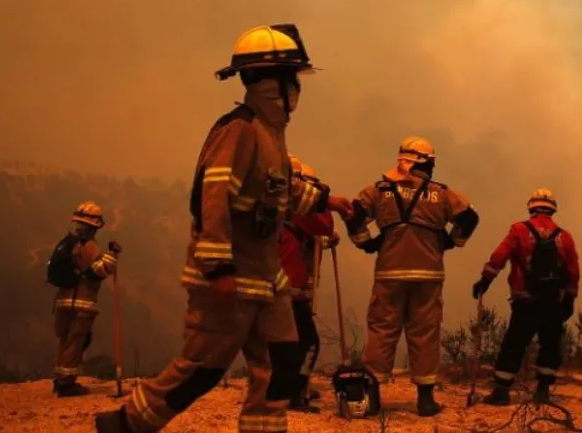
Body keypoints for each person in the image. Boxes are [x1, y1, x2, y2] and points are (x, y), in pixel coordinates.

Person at [95, 24, 351, 433]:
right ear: (273, 84)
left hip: (268, 279)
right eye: (292, 81)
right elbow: (211, 197)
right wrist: (217, 268)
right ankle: (127, 424)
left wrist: (329, 201)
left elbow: (279, 193)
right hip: (231, 279)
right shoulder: (238, 130)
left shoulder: (272, 137)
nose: (297, 92)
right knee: (202, 369)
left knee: (282, 364)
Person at [345, 136, 480, 417]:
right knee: (425, 332)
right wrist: (450, 242)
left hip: (389, 273)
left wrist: (366, 242)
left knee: (382, 331)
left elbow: (352, 214)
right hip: (428, 275)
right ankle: (426, 399)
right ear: (426, 163)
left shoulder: (379, 190)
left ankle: (371, 398)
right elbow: (469, 219)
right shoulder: (441, 193)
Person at [472, 188, 580, 405]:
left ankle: (501, 392)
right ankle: (542, 391)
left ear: (531, 206)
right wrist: (570, 299)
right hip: (553, 301)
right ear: (553, 209)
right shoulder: (564, 236)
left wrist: (485, 280)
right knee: (550, 345)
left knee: (514, 344)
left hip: (525, 300)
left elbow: (499, 257)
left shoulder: (519, 230)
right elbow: (573, 271)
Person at [279, 155, 342, 413]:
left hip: (267, 287)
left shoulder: (267, 205)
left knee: (274, 343)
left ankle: (277, 388)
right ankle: (295, 393)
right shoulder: (299, 207)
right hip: (290, 289)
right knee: (308, 342)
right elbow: (324, 225)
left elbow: (307, 239)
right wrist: (320, 199)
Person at [48, 201, 121, 397]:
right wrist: (113, 255)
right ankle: (67, 384)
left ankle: (59, 378)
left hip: (62, 302)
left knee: (63, 341)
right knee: (76, 342)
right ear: (95, 225)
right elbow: (100, 270)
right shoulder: (89, 246)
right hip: (82, 304)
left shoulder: (67, 243)